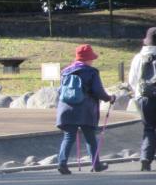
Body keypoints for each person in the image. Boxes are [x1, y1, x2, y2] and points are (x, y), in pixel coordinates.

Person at [56, 44, 115, 175]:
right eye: (91, 58)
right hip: (86, 109)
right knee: (90, 137)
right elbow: (98, 91)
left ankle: (62, 163)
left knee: (68, 136)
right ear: (87, 59)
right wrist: (109, 98)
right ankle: (96, 164)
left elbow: (60, 91)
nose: (92, 61)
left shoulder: (65, 71)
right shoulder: (91, 72)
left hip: (66, 108)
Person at [127, 27, 156, 171]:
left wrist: (138, 92)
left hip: (143, 97)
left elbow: (132, 80)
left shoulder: (138, 57)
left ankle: (145, 158)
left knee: (149, 128)